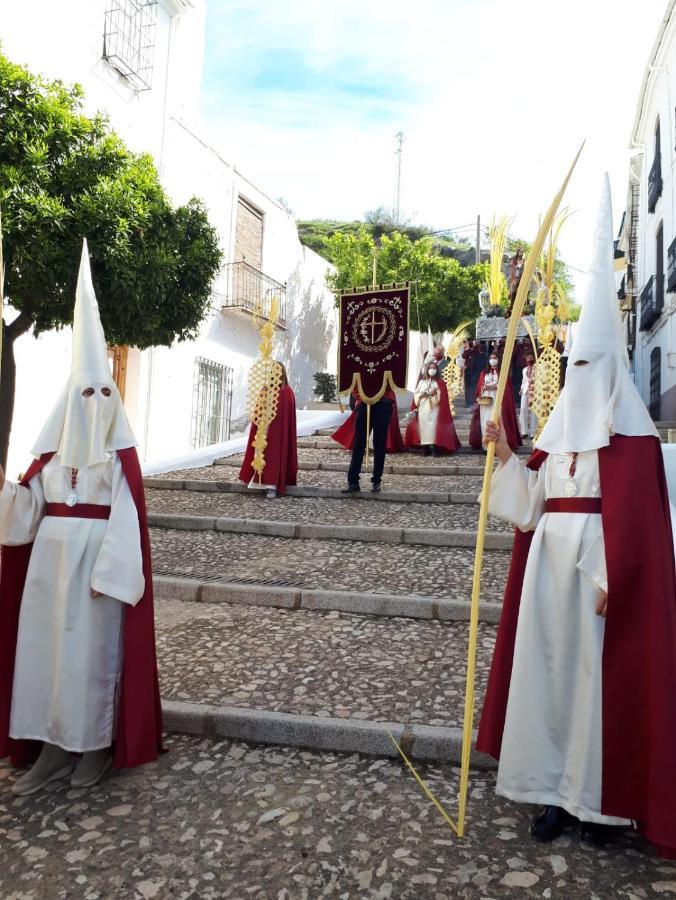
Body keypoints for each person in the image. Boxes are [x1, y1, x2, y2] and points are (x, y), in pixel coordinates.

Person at [476, 177, 676, 858]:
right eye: (577, 363)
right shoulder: (555, 439)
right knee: (550, 681)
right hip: (546, 574)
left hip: (599, 580)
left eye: (596, 364)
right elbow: (531, 507)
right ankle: (551, 795)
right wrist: (506, 457)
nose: (584, 375)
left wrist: (612, 574)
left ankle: (598, 805)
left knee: (596, 688)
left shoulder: (636, 442)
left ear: (614, 370)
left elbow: (642, 529)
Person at [0, 241, 162, 795]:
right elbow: (25, 516)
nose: (91, 402)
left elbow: (126, 516)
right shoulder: (48, 456)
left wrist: (111, 574)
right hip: (48, 566)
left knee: (88, 660)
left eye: (101, 392)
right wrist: (6, 495)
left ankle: (90, 749)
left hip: (94, 571)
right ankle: (48, 749)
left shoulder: (120, 456)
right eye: (82, 393)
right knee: (44, 656)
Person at [239, 363, 298, 498]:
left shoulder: (286, 391)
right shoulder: (265, 390)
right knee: (262, 456)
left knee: (275, 457)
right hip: (264, 430)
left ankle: (272, 485)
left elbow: (287, 416)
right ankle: (260, 482)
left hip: (279, 433)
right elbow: (258, 410)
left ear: (282, 373)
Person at [342, 388, 396, 494]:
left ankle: (377, 481)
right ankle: (353, 482)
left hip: (383, 402)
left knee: (379, 444)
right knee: (358, 444)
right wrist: (360, 396)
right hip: (363, 402)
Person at [404, 360, 461, 455]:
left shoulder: (440, 382)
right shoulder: (421, 382)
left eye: (434, 368)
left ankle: (434, 447)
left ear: (437, 370)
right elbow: (416, 394)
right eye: (430, 368)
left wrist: (436, 393)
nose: (432, 370)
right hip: (423, 408)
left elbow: (443, 395)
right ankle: (425, 448)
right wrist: (421, 395)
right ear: (427, 370)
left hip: (435, 408)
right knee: (423, 427)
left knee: (434, 427)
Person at [469, 352, 522, 451]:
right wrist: (483, 388)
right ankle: (486, 446)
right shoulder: (484, 373)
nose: (493, 360)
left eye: (495, 358)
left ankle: (497, 446)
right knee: (485, 420)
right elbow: (480, 385)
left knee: (496, 420)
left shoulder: (502, 373)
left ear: (498, 360)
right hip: (486, 399)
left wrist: (493, 386)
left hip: (497, 399)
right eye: (491, 358)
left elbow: (504, 386)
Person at [332, 387, 404, 454]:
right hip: (365, 399)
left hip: (382, 400)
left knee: (379, 438)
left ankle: (373, 447)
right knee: (361, 436)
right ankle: (366, 447)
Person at [519, 352, 537, 439]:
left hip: (535, 391)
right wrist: (521, 389)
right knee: (523, 410)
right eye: (527, 358)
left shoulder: (538, 368)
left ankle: (533, 432)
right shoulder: (524, 369)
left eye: (531, 358)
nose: (529, 359)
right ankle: (524, 431)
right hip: (526, 391)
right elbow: (524, 380)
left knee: (533, 411)